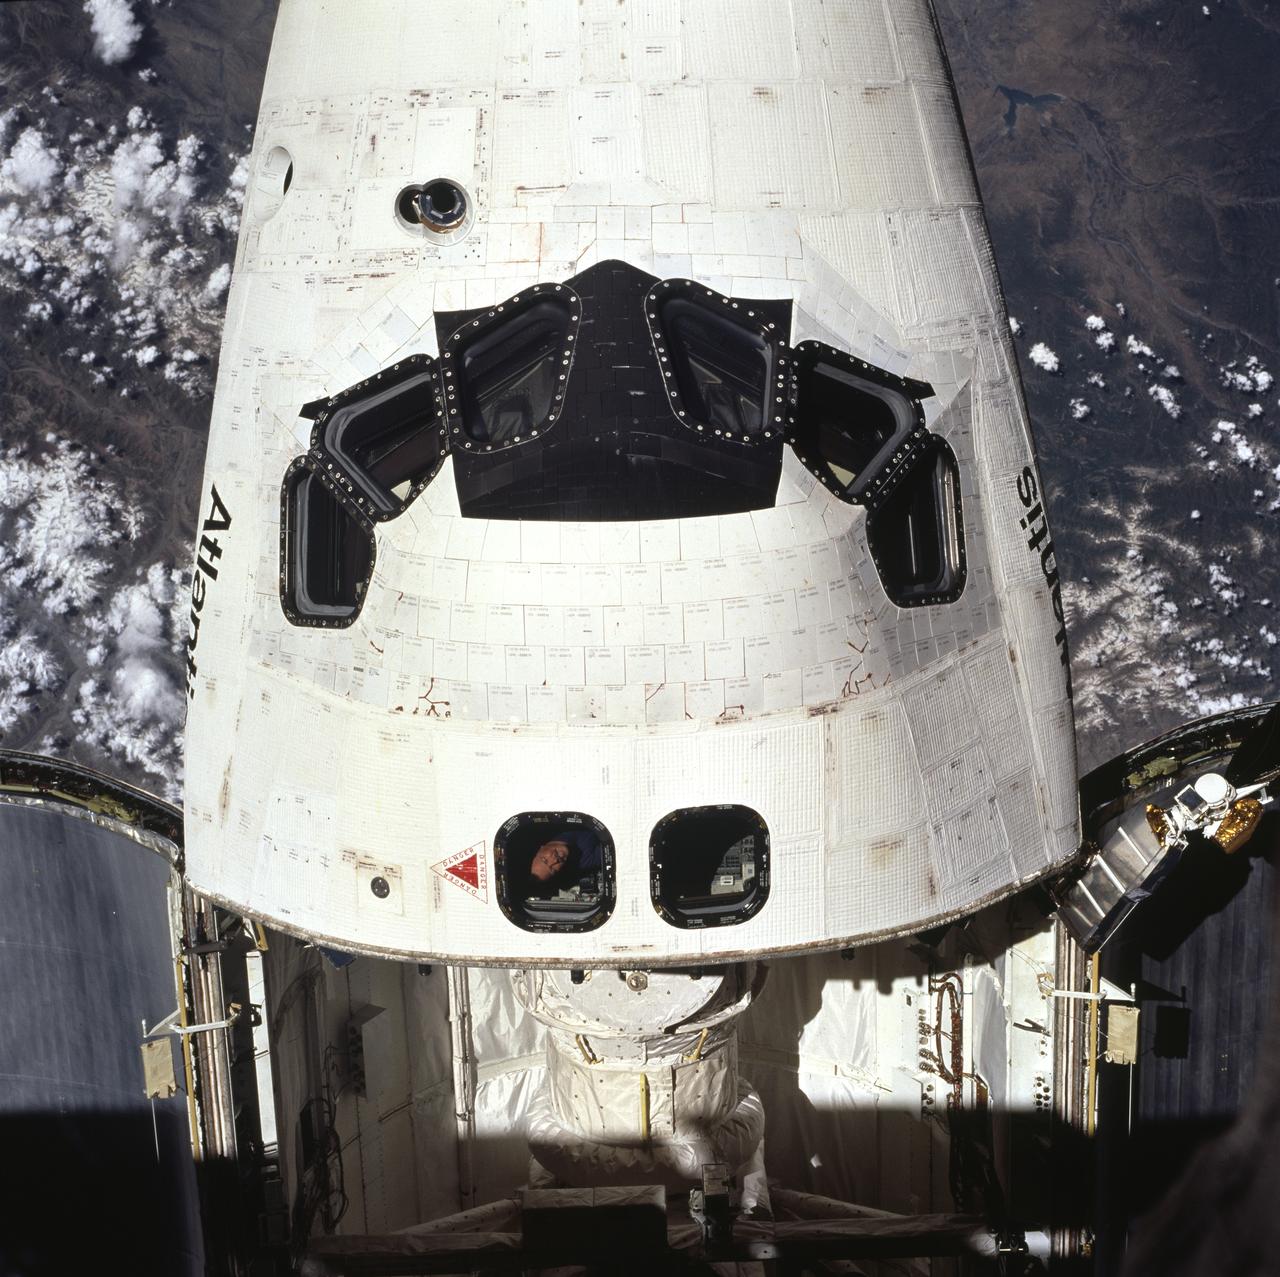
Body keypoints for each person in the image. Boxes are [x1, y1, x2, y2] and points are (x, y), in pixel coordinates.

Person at [527, 827, 602, 891]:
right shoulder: (584, 861)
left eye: (545, 860)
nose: (554, 861)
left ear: (540, 849)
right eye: (553, 869)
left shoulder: (551, 823)